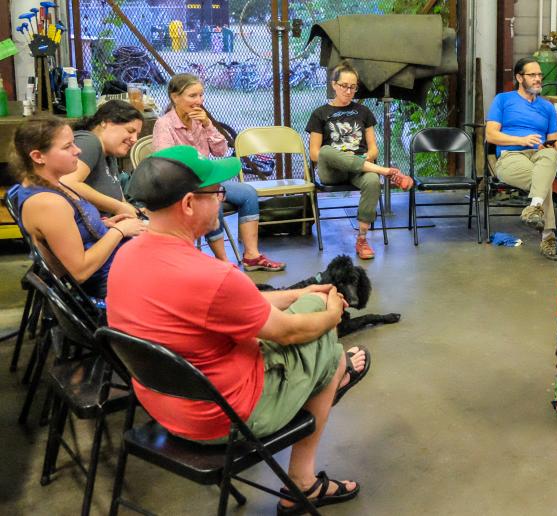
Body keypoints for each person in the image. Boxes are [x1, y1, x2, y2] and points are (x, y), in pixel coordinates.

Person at [107, 145, 370, 514]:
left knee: (305, 303)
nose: (222, 199)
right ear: (187, 204)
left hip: (162, 407)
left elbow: (229, 307)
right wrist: (331, 312)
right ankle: (303, 484)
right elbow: (290, 332)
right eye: (217, 193)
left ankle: (326, 375)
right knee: (326, 344)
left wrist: (297, 292)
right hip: (224, 419)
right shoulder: (213, 276)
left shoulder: (127, 255)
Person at [153, 73, 285, 271]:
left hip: (208, 181)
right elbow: (167, 163)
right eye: (192, 96)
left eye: (201, 95)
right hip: (184, 186)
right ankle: (223, 262)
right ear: (175, 96)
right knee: (213, 201)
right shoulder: (164, 124)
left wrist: (207, 125)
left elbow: (221, 151)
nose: (199, 101)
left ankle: (251, 256)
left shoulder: (200, 120)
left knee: (248, 193)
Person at [9, 114, 146, 298]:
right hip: (109, 283)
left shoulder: (51, 183)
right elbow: (79, 272)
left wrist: (102, 224)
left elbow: (68, 230)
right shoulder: (48, 203)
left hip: (117, 264)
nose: (78, 151)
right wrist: (119, 231)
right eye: (67, 147)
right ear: (38, 156)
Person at [307, 61, 413, 261]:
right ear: (334, 84)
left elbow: (373, 148)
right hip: (332, 172)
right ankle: (386, 171)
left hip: (360, 168)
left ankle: (362, 239)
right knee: (327, 150)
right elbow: (315, 154)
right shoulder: (320, 114)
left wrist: (365, 157)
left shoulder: (363, 112)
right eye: (344, 86)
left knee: (372, 181)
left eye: (353, 87)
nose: (348, 91)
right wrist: (354, 160)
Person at [485, 56, 557, 260]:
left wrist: (546, 146)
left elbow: (555, 142)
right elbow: (491, 135)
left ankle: (534, 208)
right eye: (532, 75)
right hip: (511, 155)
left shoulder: (547, 107)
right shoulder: (503, 100)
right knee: (544, 180)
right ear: (520, 77)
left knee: (551, 154)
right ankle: (548, 237)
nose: (538, 79)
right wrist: (522, 139)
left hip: (539, 156)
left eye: (539, 75)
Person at [61, 100, 143, 218]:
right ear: (105, 122)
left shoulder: (110, 154)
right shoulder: (89, 141)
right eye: (130, 131)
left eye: (137, 135)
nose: (134, 139)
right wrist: (119, 208)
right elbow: (67, 182)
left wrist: (136, 211)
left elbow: (121, 201)